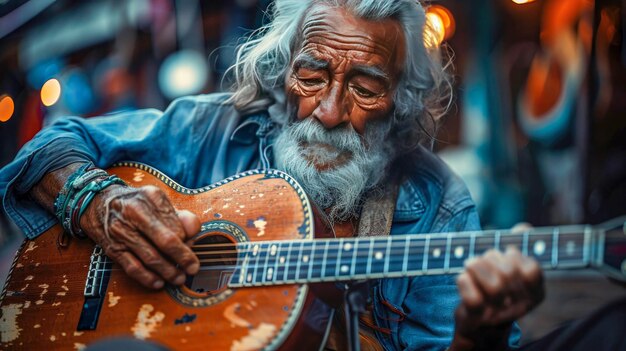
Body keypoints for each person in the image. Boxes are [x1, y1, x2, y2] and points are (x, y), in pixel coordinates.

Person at [2, 0, 621, 350]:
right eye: (312, 76)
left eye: (365, 87)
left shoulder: (438, 205)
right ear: (281, 72)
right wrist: (98, 200)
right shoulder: (215, 129)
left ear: (401, 102)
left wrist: (477, 336)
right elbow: (47, 151)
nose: (328, 111)